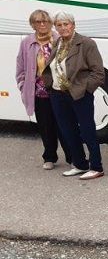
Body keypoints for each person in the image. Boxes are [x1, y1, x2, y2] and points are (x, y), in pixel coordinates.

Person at [43, 12, 105, 180]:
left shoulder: (86, 43)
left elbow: (98, 72)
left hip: (79, 94)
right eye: (59, 25)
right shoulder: (58, 42)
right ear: (56, 27)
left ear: (73, 25)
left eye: (66, 24)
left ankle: (96, 166)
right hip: (58, 94)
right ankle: (80, 164)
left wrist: (85, 89)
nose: (63, 28)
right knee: (68, 131)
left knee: (87, 130)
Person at [15, 9, 72, 170]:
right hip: (39, 92)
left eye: (45, 21)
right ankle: (49, 157)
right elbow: (20, 66)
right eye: (38, 22)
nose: (42, 24)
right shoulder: (27, 42)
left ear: (50, 23)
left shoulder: (59, 39)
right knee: (46, 127)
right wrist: (22, 85)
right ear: (33, 24)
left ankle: (72, 157)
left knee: (64, 125)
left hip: (58, 90)